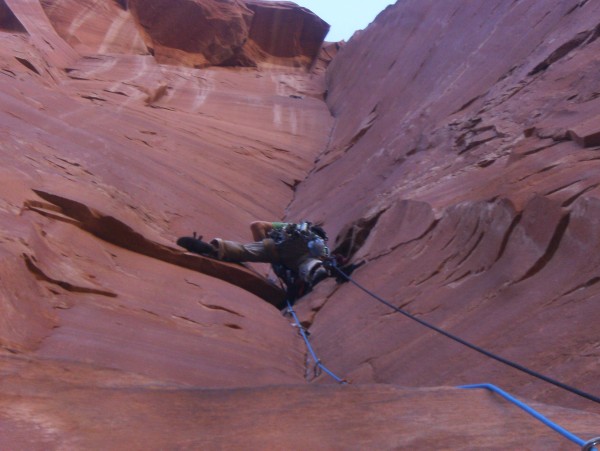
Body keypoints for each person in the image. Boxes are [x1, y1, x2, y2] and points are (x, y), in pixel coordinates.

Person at [176, 221, 332, 297]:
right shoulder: (321, 242)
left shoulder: (287, 226)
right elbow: (324, 255)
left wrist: (267, 251)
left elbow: (256, 225)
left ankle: (216, 248)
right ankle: (315, 272)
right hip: (305, 250)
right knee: (307, 262)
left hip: (278, 244)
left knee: (244, 251)